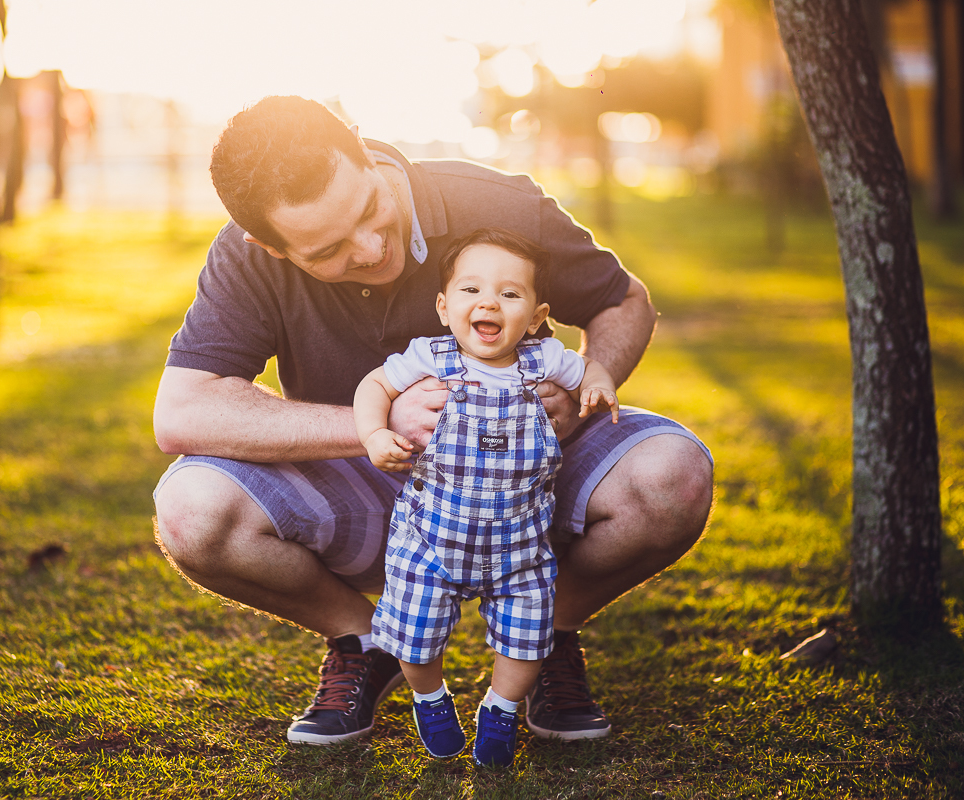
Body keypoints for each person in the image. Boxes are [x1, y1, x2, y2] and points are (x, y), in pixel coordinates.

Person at [152, 95, 713, 749]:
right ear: (269, 247)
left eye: (368, 210)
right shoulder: (245, 259)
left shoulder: (498, 205)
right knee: (191, 510)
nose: (369, 247)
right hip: (371, 484)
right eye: (330, 248)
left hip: (528, 473)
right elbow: (183, 407)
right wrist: (376, 426)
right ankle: (368, 640)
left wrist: (592, 381)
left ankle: (544, 634)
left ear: (361, 147)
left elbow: (623, 301)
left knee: (675, 477)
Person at [354, 227, 620, 767]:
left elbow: (590, 367)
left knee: (526, 640)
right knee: (415, 636)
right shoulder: (430, 356)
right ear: (443, 305)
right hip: (431, 540)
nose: (489, 302)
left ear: (538, 314)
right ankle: (431, 699)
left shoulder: (544, 360)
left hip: (519, 547)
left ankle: (500, 708)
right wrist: (374, 435)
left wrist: (600, 382)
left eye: (510, 293)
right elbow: (372, 387)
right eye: (471, 290)